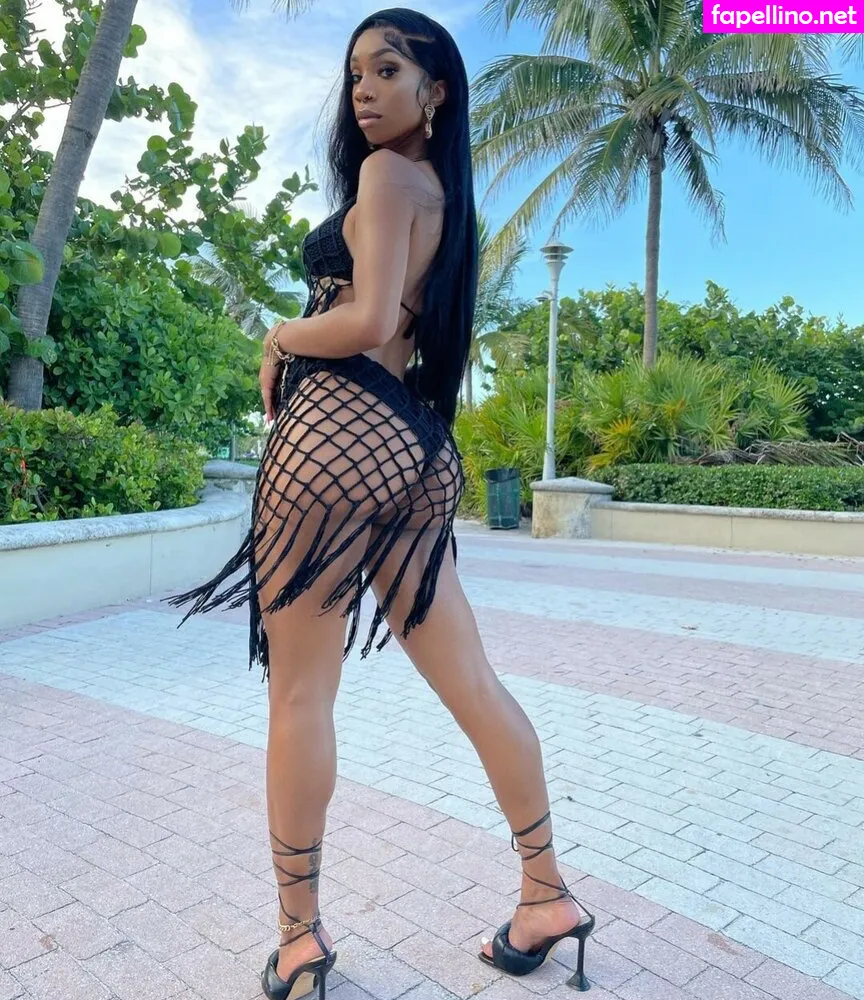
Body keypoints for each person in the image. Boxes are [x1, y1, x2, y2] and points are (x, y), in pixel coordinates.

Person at [167, 9, 594, 999]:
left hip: (334, 437)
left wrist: (280, 335)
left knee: (300, 697)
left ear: (435, 90)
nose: (363, 87)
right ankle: (545, 893)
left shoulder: (389, 175)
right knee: (474, 683)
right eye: (356, 70)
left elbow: (360, 320)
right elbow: (398, 327)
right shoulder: (440, 192)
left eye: (388, 69)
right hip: (416, 446)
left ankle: (299, 938)